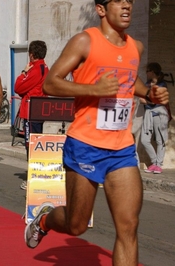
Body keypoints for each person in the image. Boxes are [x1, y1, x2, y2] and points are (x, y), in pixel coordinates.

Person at [25, 1, 169, 266]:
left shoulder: (135, 47)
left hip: (122, 149)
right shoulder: (84, 42)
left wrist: (148, 93)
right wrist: (94, 89)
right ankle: (45, 219)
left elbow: (127, 80)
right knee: (76, 224)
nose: (127, 6)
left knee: (128, 227)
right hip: (85, 145)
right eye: (118, 1)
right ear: (101, 9)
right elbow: (51, 82)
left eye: (130, 1)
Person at [14, 40, 49, 189]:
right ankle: (36, 175)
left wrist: (23, 72)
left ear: (32, 55)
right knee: (35, 143)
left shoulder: (35, 69)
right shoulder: (45, 67)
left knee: (31, 145)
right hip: (38, 109)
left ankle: (33, 178)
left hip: (31, 110)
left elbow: (18, 87)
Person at [140, 62, 171, 174]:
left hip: (159, 113)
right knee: (144, 140)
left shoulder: (162, 84)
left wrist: (146, 100)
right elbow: (141, 98)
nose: (146, 73)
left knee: (160, 140)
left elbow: (156, 100)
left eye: (147, 71)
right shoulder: (146, 84)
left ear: (152, 72)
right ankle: (154, 162)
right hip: (148, 113)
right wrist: (146, 100)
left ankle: (159, 165)